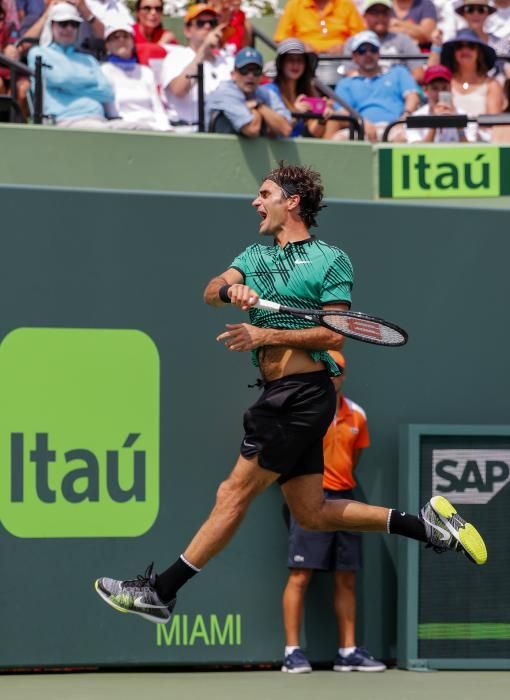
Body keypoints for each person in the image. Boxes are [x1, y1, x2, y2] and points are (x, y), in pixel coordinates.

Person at [94, 162, 488, 628]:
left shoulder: (331, 260)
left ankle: (161, 592)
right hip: (280, 393)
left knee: (232, 493)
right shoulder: (255, 256)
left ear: (291, 201)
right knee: (313, 513)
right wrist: (230, 288)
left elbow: (334, 336)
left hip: (300, 394)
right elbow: (209, 291)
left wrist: (264, 336)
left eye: (265, 194)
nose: (255, 202)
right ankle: (426, 526)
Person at [281, 350, 386, 674]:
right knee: (300, 575)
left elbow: (353, 461)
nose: (333, 376)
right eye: (327, 370)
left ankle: (348, 650)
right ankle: (292, 652)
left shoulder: (357, 415)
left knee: (347, 578)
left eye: (338, 370)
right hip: (310, 499)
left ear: (344, 375)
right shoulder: (305, 410)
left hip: (345, 499)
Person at [27, 2, 126, 128]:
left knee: (144, 129)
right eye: (63, 24)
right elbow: (61, 79)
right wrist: (90, 82)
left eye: (74, 24)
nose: (69, 29)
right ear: (51, 25)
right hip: (64, 121)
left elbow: (107, 93)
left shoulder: (89, 59)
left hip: (99, 119)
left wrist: (69, 86)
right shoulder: (38, 53)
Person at [332, 30, 420, 141]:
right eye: (362, 51)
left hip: (395, 127)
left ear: (379, 53)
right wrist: (361, 121)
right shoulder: (346, 83)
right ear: (354, 56)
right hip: (359, 128)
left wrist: (404, 118)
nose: (368, 54)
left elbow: (412, 96)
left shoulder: (399, 72)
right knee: (338, 139)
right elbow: (342, 111)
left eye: (373, 50)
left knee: (402, 138)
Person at [160, 3, 233, 131]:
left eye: (212, 23)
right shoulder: (176, 56)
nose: (207, 26)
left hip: (219, 129)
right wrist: (203, 50)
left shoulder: (225, 61)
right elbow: (178, 90)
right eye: (200, 23)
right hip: (186, 130)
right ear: (188, 31)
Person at [206, 46, 292, 137]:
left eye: (256, 71)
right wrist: (266, 116)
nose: (250, 76)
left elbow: (286, 129)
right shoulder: (225, 92)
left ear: (261, 76)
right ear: (233, 75)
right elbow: (252, 129)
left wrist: (258, 106)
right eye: (244, 70)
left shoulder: (267, 93)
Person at [101, 20, 171, 130]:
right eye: (115, 37)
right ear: (107, 45)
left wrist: (166, 129)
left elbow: (158, 108)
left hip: (153, 128)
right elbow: (111, 110)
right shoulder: (104, 71)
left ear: (133, 42)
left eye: (125, 36)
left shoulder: (146, 71)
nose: (121, 40)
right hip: (123, 129)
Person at [438, 28, 504, 139]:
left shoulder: (492, 84)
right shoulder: (446, 83)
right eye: (460, 46)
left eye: (471, 46)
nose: (465, 50)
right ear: (454, 53)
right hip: (449, 141)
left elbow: (493, 123)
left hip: (481, 143)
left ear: (479, 52)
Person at [264, 38, 335, 138]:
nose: (295, 65)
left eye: (300, 60)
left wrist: (322, 119)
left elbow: (312, 134)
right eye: (290, 60)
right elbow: (272, 131)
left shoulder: (308, 91)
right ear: (281, 64)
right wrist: (296, 113)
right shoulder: (269, 91)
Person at [341, 0, 423, 81]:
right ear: (365, 16)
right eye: (375, 13)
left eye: (384, 13)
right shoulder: (353, 42)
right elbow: (350, 73)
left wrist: (398, 86)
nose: (380, 17)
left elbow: (418, 74)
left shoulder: (404, 40)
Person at [405, 63, 477, 143]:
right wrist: (435, 123)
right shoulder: (415, 118)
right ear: (425, 90)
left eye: (444, 88)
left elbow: (470, 152)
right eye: (435, 88)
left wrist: (458, 124)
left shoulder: (467, 117)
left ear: (451, 89)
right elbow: (418, 152)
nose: (440, 93)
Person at [274, 0, 365, 55]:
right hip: (304, 61)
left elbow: (360, 37)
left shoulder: (346, 4)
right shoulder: (295, 4)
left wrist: (345, 47)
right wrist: (300, 46)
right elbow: (281, 39)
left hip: (341, 60)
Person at [132, 0, 176, 66]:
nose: (153, 12)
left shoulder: (167, 36)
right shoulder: (128, 34)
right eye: (147, 8)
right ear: (137, 12)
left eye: (158, 9)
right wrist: (161, 45)